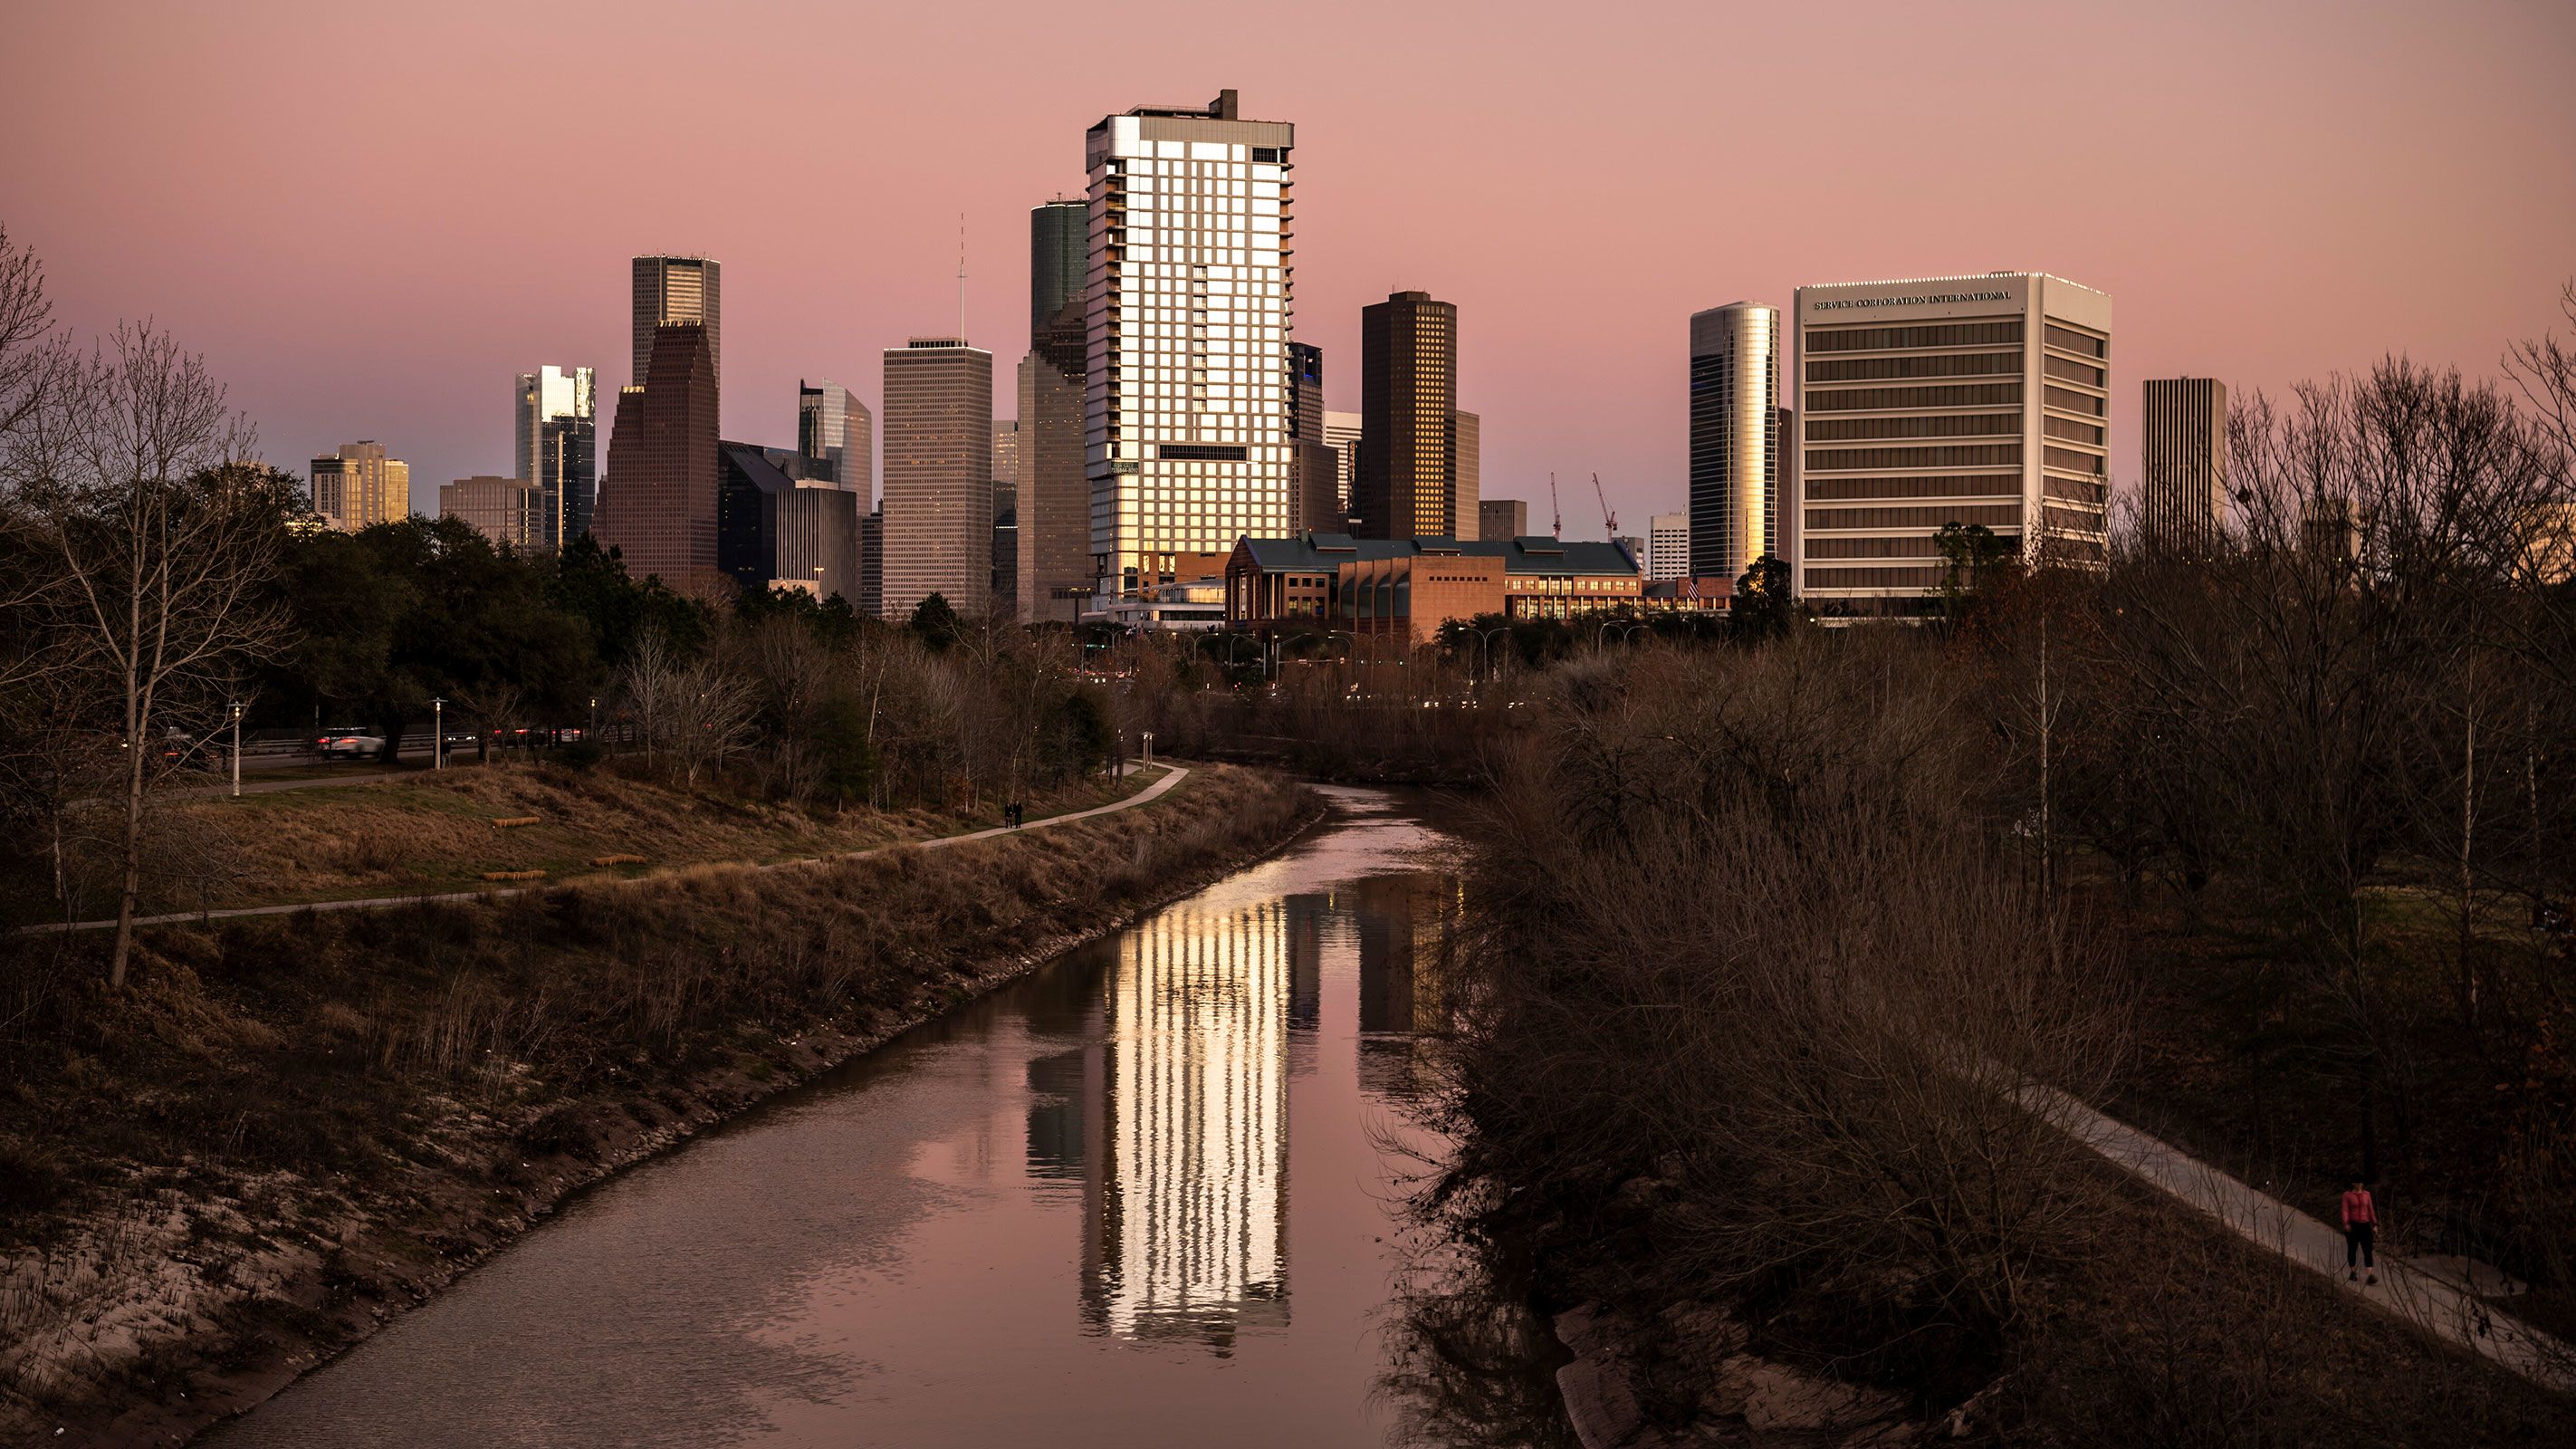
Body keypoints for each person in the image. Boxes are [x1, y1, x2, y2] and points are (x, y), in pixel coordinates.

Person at [2341, 1180, 2378, 1285]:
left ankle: (2370, 1275)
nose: (2360, 1184)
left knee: (2368, 1249)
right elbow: (2345, 1210)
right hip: (2353, 1225)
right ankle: (2353, 1272)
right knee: (2352, 1248)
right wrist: (2346, 1223)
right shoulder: (2347, 1195)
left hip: (2365, 1225)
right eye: (2357, 1182)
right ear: (2353, 1183)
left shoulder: (2367, 1194)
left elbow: (2370, 1210)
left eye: (2361, 1182)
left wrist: (2375, 1224)